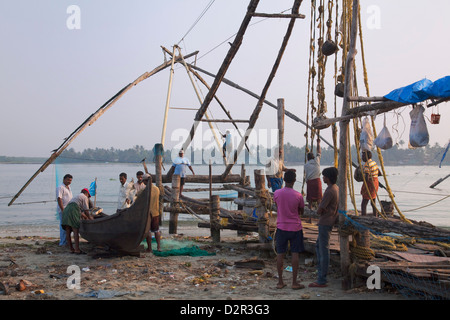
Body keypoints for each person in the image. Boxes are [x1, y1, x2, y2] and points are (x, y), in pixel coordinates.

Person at [273, 170, 305, 290]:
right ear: (294, 180)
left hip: (281, 227)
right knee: (295, 253)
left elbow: (278, 207)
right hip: (295, 227)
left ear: (284, 180)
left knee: (280, 254)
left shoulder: (277, 193)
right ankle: (294, 282)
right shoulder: (298, 195)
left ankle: (280, 281)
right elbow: (301, 211)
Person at [309, 166, 339, 288]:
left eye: (325, 176)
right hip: (330, 220)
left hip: (326, 221)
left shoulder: (330, 190)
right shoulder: (336, 188)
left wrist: (321, 209)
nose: (323, 178)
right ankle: (321, 270)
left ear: (329, 177)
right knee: (319, 246)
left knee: (323, 250)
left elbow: (320, 209)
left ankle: (322, 278)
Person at [61, 188, 93, 254]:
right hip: (73, 210)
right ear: (86, 193)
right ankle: (77, 249)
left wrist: (85, 217)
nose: (88, 198)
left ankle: (71, 249)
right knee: (75, 230)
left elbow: (79, 211)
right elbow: (86, 210)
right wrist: (90, 218)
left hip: (66, 210)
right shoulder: (84, 197)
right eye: (88, 196)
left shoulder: (76, 197)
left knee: (68, 231)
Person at [140, 174, 162, 252]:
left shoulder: (145, 191)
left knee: (148, 231)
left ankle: (150, 248)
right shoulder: (157, 189)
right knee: (156, 230)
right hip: (156, 213)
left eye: (144, 181)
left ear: (146, 181)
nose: (143, 183)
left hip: (148, 213)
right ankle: (159, 247)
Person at [360, 150, 381, 216]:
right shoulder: (374, 162)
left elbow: (366, 178)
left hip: (370, 184)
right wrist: (374, 174)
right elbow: (380, 173)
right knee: (373, 201)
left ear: (366, 157)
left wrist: (362, 177)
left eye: (363, 156)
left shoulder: (366, 165)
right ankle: (375, 215)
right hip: (375, 183)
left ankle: (363, 217)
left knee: (364, 203)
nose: (362, 158)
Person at [304, 139, 323, 209]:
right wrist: (318, 143)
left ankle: (310, 211)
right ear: (313, 157)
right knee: (319, 199)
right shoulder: (316, 161)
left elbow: (306, 175)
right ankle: (320, 210)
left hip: (310, 182)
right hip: (317, 181)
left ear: (308, 159)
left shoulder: (306, 165)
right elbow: (319, 152)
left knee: (310, 200)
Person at [56, 174, 73, 247]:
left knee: (68, 226)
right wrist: (63, 210)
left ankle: (66, 241)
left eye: (70, 180)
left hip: (69, 209)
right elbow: (59, 198)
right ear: (64, 179)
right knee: (63, 226)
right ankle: (62, 242)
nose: (69, 182)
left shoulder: (68, 187)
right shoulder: (60, 187)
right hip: (63, 209)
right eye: (68, 180)